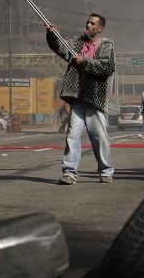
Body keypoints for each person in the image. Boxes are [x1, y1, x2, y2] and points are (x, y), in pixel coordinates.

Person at [47, 13, 115, 184]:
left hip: (95, 97)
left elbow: (107, 66)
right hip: (77, 97)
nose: (88, 25)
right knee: (72, 136)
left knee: (99, 136)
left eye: (93, 23)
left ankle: (106, 171)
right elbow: (60, 47)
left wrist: (84, 62)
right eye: (88, 22)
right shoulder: (77, 43)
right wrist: (52, 35)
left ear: (100, 28)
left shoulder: (106, 45)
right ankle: (69, 173)